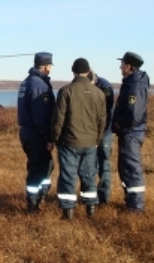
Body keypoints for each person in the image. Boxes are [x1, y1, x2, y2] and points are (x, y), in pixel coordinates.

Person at [50, 58, 106, 220]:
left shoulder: (66, 91)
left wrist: (55, 138)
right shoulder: (99, 93)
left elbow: (58, 118)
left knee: (68, 175)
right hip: (90, 142)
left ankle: (68, 212)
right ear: (88, 72)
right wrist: (97, 139)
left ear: (73, 71)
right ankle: (91, 207)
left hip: (69, 141)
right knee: (89, 174)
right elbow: (102, 120)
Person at [17, 52, 56, 213]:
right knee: (37, 168)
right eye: (51, 66)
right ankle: (33, 203)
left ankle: (41, 195)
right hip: (36, 134)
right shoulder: (39, 84)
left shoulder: (26, 82)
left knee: (46, 165)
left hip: (27, 132)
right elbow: (41, 115)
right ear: (47, 66)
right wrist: (48, 137)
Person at [112, 51, 150, 213]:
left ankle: (136, 207)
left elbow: (133, 114)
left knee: (131, 168)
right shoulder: (131, 82)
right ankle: (130, 201)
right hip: (129, 132)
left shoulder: (135, 85)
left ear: (129, 66)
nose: (120, 66)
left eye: (122, 63)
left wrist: (119, 124)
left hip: (131, 133)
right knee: (125, 167)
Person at [88, 70, 115, 205]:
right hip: (91, 133)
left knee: (103, 164)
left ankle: (103, 197)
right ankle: (92, 197)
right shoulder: (87, 86)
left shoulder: (105, 87)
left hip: (105, 133)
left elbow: (108, 113)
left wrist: (101, 133)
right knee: (90, 165)